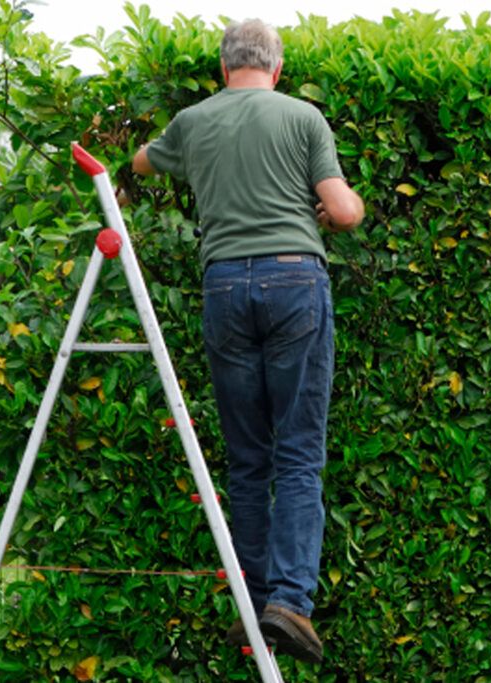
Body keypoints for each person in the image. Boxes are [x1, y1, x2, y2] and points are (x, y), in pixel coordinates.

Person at [132, 18, 364, 664]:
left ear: (223, 66)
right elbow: (342, 211)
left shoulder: (194, 121)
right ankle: (288, 602)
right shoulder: (302, 119)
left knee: (247, 457)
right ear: (278, 67)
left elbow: (142, 161)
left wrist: (153, 153)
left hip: (224, 285)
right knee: (298, 450)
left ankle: (250, 599)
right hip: (295, 280)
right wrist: (345, 207)